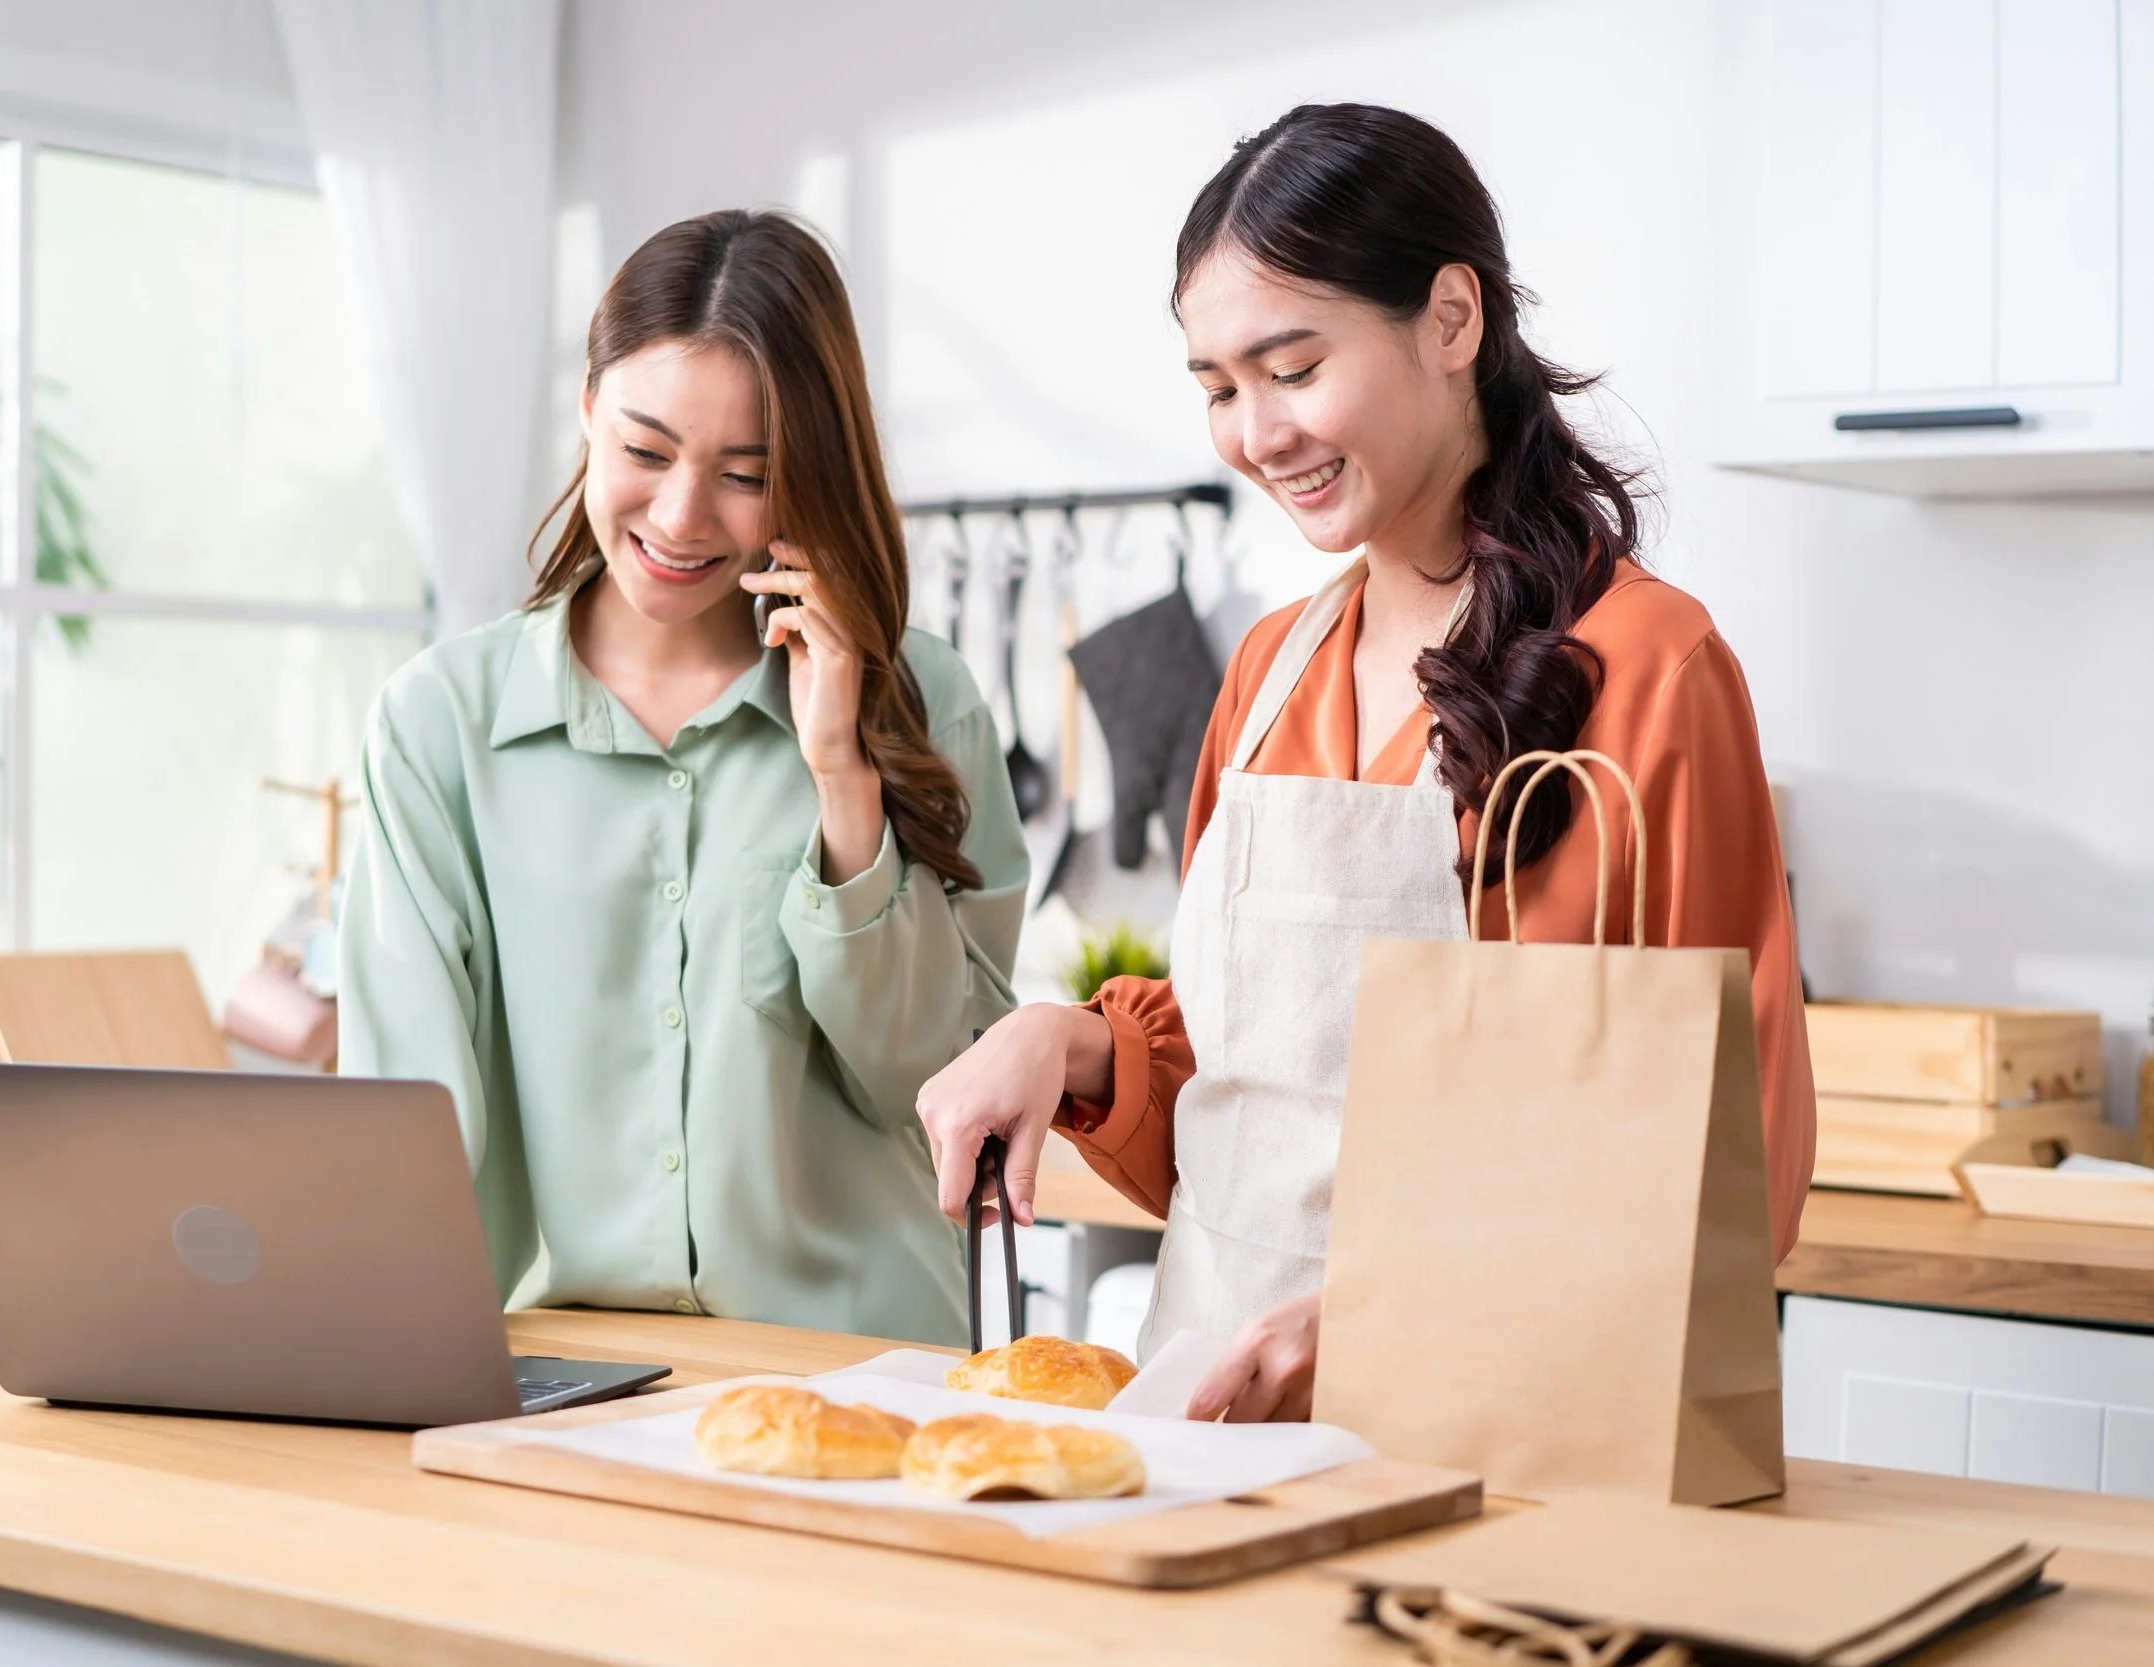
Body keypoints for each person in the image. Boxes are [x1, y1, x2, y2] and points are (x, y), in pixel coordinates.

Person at [916, 104, 1814, 1418]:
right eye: (1219, 387)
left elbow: (1731, 1173)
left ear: (1452, 320)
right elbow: (1250, 1129)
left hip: (1495, 1442)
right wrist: (1075, 1045)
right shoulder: (1269, 671)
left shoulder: (1650, 671)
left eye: (1291, 366)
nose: (1255, 431)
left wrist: (1403, 1318)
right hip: (1206, 1430)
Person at [339, 210, 1026, 1345]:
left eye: (745, 474)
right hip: (557, 1369)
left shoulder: (923, 699)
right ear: (588, 410)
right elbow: (405, 1116)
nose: (678, 516)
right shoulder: (439, 725)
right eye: (645, 451)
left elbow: (937, 1081)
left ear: (809, 469)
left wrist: (841, 774)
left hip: (859, 1366)